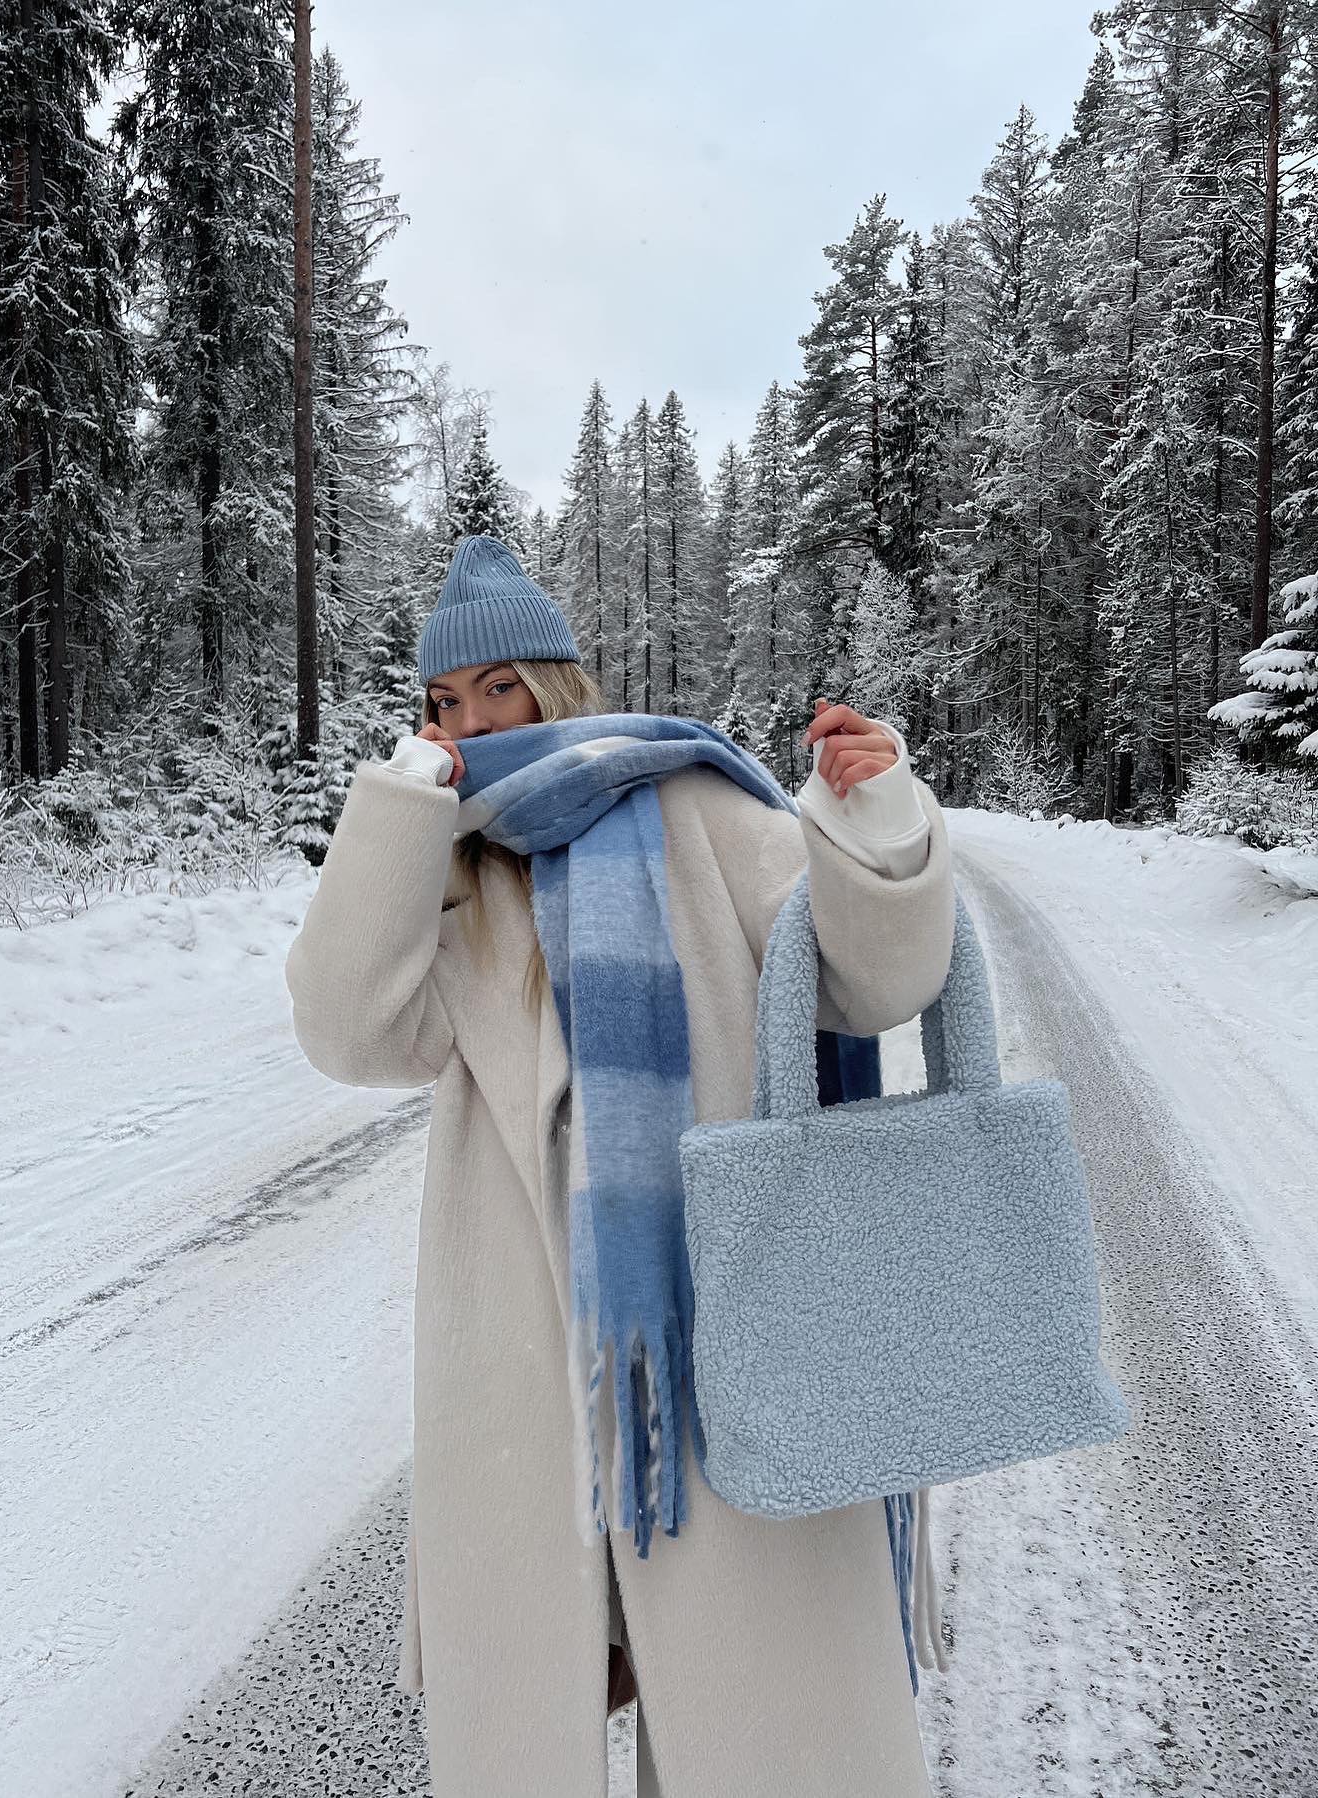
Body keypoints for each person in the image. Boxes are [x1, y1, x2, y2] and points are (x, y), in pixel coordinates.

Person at [283, 534, 955, 1798]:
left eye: (497, 689)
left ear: (557, 683)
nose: (470, 721)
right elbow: (348, 1030)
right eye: (442, 700)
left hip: (726, 1336)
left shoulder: (698, 807)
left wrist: (879, 823)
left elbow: (876, 985)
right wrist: (401, 809)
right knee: (540, 1717)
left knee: (756, 1729)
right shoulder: (458, 869)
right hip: (531, 1377)